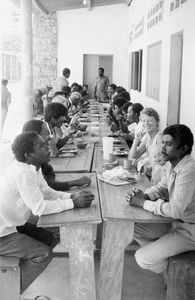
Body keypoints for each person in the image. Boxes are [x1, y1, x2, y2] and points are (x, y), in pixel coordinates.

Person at [0, 131, 94, 294]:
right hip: (3, 233)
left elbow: (48, 192)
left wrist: (72, 196)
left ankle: (16, 273)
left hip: (14, 223)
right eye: (42, 146)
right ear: (28, 155)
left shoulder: (32, 168)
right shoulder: (22, 173)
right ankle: (8, 292)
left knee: (51, 237)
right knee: (43, 254)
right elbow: (40, 208)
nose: (48, 148)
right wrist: (72, 203)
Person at [125, 124, 195, 280]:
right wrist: (145, 195)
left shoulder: (189, 170)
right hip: (174, 222)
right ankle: (164, 257)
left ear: (183, 149)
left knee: (142, 257)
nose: (162, 148)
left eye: (168, 144)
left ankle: (172, 275)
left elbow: (176, 210)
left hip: (189, 231)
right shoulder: (173, 163)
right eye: (162, 142)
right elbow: (162, 187)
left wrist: (142, 203)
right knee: (132, 228)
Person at [22, 120, 91, 191]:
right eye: (47, 133)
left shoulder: (38, 157)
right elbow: (47, 186)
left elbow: (49, 171)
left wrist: (50, 181)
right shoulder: (26, 169)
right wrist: (75, 182)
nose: (50, 136)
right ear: (36, 137)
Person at [128, 107, 164, 184]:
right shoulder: (147, 137)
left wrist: (144, 166)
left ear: (157, 122)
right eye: (143, 121)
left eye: (150, 120)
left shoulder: (159, 137)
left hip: (161, 181)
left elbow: (163, 162)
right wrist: (136, 140)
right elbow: (132, 157)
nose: (146, 123)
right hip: (153, 178)